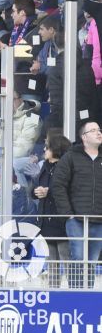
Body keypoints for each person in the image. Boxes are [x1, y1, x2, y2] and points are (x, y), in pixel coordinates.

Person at [52, 120, 102, 290]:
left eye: (99, 130)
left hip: (99, 219)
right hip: (77, 219)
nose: (98, 132)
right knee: (79, 258)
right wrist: (68, 214)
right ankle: (76, 293)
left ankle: (87, 295)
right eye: (93, 130)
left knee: (92, 261)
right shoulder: (71, 157)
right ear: (84, 137)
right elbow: (58, 184)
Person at [32, 133, 71, 289]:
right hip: (46, 221)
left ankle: (74, 292)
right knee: (51, 262)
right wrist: (36, 191)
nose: (44, 149)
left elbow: (70, 190)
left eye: (48, 146)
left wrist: (50, 191)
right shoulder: (44, 167)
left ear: (56, 148)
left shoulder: (67, 167)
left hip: (61, 221)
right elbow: (32, 188)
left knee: (66, 258)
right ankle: (53, 292)